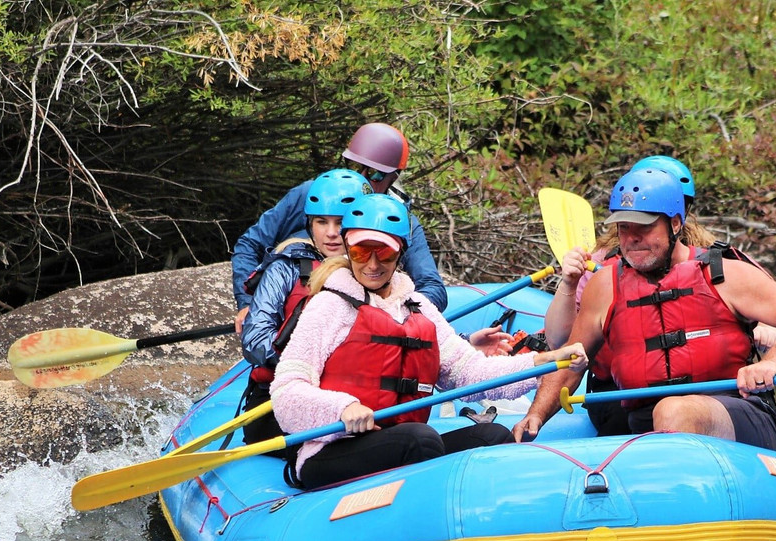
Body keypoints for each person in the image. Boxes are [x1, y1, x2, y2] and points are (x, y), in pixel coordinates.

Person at [270, 193, 586, 490]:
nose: (372, 263)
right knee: (420, 440)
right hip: (332, 450)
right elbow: (286, 391)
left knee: (493, 435)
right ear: (347, 249)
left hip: (400, 442)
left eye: (385, 252)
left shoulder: (418, 307)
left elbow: (469, 373)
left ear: (401, 253)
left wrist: (540, 363)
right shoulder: (330, 306)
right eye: (360, 251)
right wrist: (342, 408)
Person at [513, 166, 776, 450]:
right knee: (662, 414)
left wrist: (771, 363)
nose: (632, 239)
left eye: (644, 228)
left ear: (675, 223)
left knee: (672, 410)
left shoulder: (723, 273)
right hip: (645, 422)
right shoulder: (605, 285)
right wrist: (536, 415)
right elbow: (571, 356)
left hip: (735, 411)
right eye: (623, 228)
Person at [542, 155, 776, 436]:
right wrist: (568, 284)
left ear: (679, 213)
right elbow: (561, 343)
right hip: (620, 396)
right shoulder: (604, 270)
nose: (635, 235)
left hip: (712, 396)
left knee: (677, 411)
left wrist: (765, 330)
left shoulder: (720, 262)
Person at [231, 122, 447, 332]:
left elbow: (433, 288)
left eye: (375, 174)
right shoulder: (316, 193)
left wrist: (389, 317)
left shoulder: (400, 220)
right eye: (357, 167)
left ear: (393, 178)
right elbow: (251, 244)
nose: (363, 177)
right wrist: (249, 303)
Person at [239, 169, 369, 446]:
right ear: (310, 224)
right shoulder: (286, 268)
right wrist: (302, 364)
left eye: (340, 222)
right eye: (322, 222)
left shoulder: (376, 271)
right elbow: (255, 338)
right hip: (283, 400)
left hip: (352, 399)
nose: (331, 233)